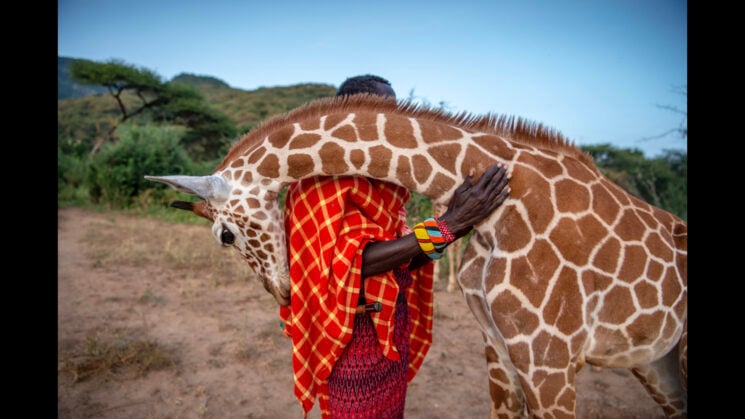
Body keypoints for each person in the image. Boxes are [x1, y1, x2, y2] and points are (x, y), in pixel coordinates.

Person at [279, 75, 510, 418]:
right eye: (385, 112)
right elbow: (354, 261)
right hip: (351, 338)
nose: (394, 123)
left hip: (390, 326)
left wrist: (455, 228)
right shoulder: (317, 184)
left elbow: (402, 260)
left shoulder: (384, 187)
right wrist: (451, 224)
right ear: (349, 116)